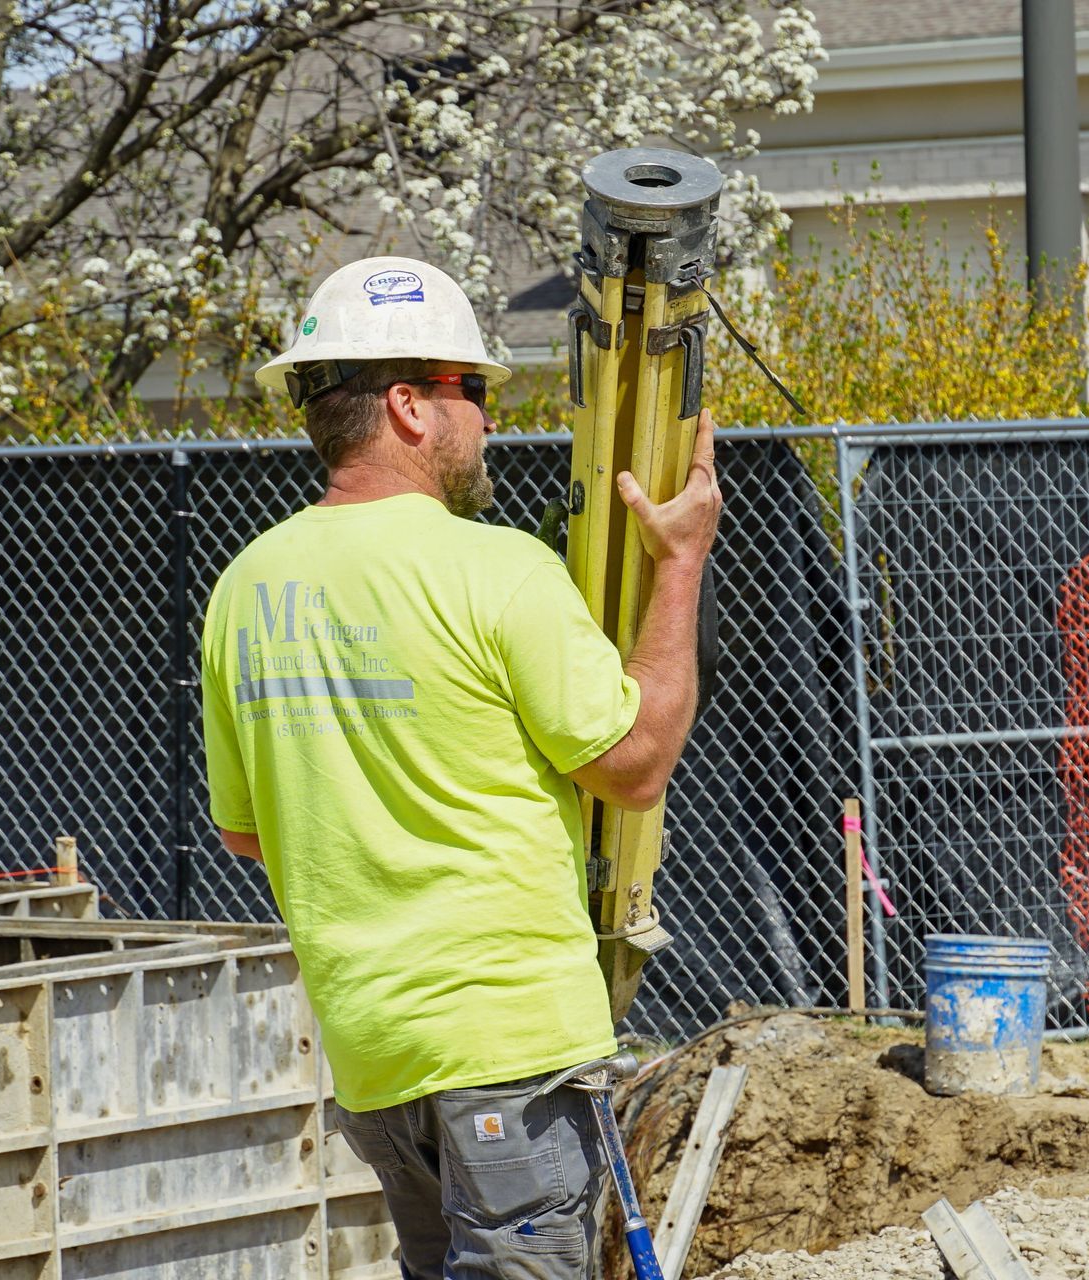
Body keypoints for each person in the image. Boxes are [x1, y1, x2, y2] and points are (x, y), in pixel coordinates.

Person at [199, 255, 719, 1278]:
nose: (487, 418)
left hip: (374, 1055)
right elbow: (637, 760)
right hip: (507, 1045)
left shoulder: (244, 587)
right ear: (407, 406)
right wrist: (679, 563)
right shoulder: (496, 566)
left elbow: (247, 828)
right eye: (470, 391)